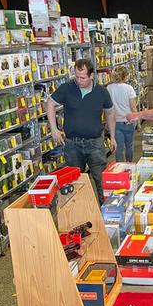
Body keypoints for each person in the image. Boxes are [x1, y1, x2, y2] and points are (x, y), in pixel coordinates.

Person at [48, 58, 116, 201]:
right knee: (73, 182)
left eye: (82, 77)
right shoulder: (67, 88)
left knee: (101, 181)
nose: (79, 81)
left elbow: (110, 113)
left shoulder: (102, 92)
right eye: (76, 77)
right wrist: (54, 129)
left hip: (95, 144)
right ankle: (78, 215)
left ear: (92, 76)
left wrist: (113, 136)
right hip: (72, 144)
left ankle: (107, 213)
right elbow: (50, 103)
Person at [106, 65, 137, 161]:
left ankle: (120, 168)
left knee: (118, 147)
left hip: (115, 123)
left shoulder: (109, 88)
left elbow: (107, 108)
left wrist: (107, 123)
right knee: (129, 145)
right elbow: (133, 107)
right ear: (125, 76)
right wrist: (138, 121)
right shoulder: (129, 88)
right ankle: (129, 166)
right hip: (128, 121)